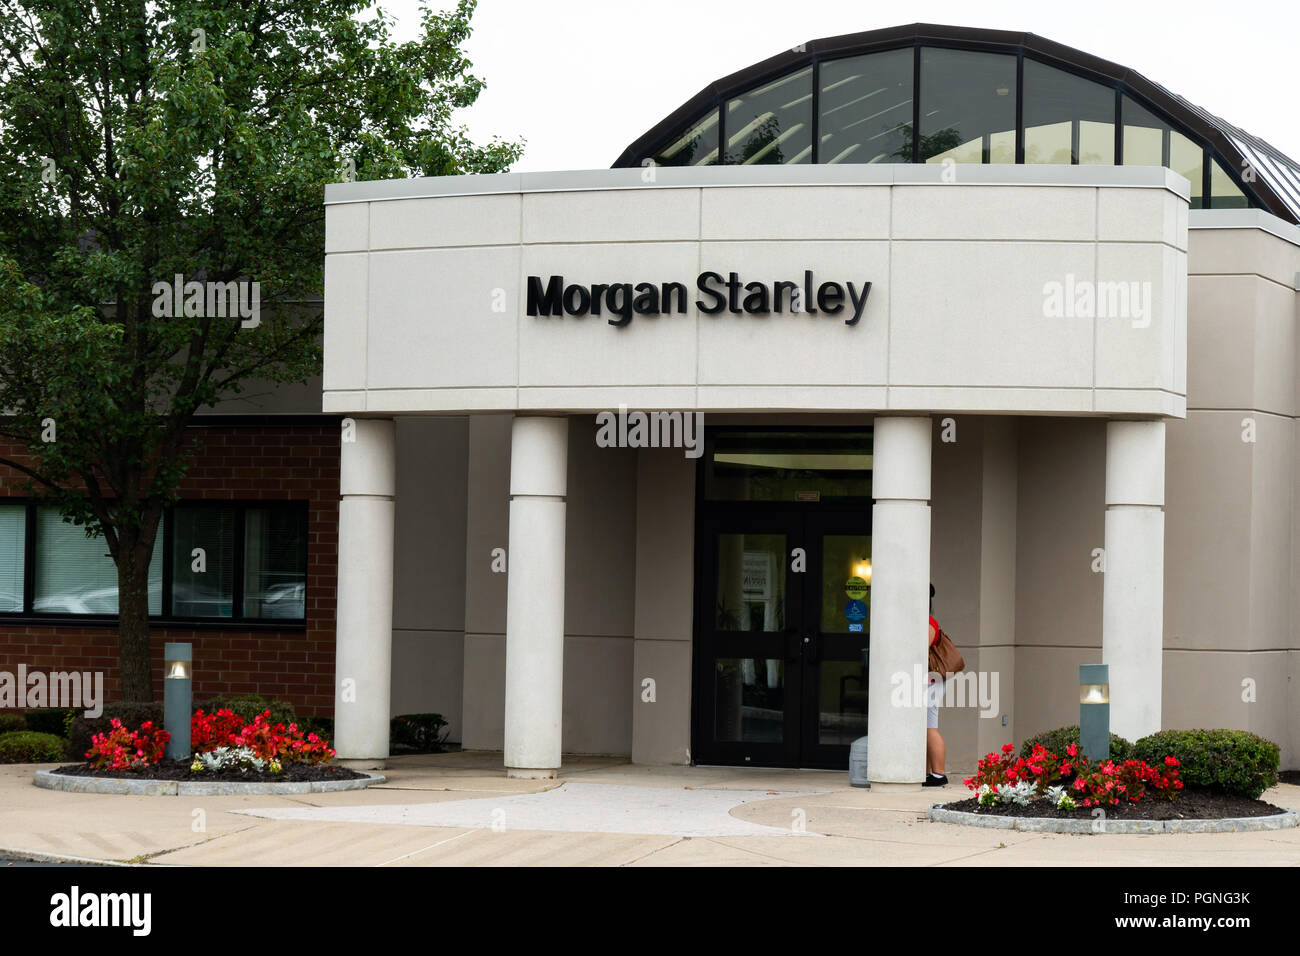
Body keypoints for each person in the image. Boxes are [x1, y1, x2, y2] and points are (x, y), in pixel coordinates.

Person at [923, 583, 948, 787]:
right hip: (927, 679)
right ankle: (926, 772)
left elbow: (922, 649)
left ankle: (938, 774)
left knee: (930, 726)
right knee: (924, 726)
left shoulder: (929, 622)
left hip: (930, 679)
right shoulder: (924, 621)